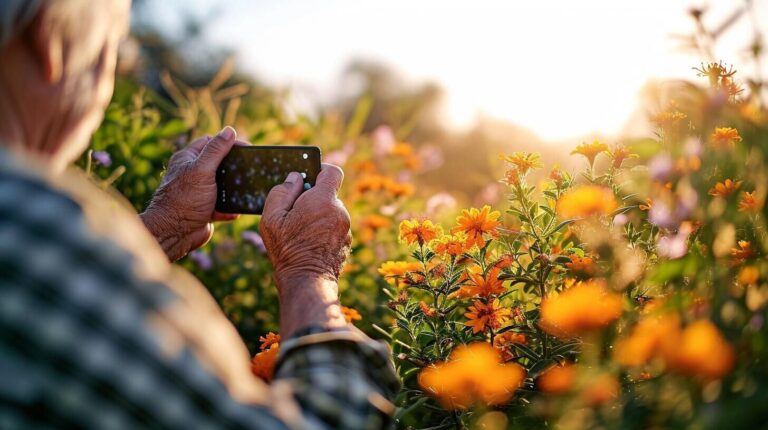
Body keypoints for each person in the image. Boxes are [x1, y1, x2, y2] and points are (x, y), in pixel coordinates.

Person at [0, 1, 398, 429]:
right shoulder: (37, 221)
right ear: (53, 40)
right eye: (110, 53)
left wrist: (164, 226)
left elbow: (58, 315)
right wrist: (308, 270)